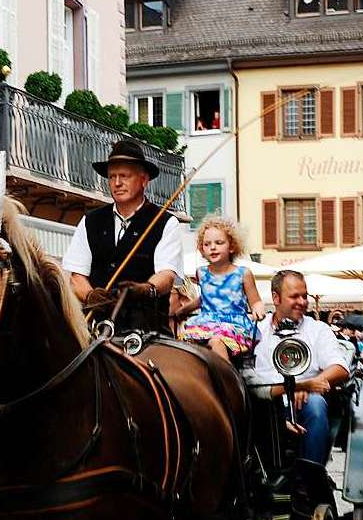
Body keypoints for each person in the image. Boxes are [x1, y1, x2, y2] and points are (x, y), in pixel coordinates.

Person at [244, 270, 350, 507]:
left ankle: (309, 481)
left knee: (314, 405)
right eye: (295, 296)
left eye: (305, 296)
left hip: (305, 403)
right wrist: (289, 388)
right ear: (276, 297)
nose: (302, 302)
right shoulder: (255, 329)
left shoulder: (317, 330)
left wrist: (309, 385)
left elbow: (339, 368)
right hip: (263, 403)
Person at [63, 139, 183, 334]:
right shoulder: (90, 221)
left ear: (144, 180)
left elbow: (167, 276)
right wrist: (90, 295)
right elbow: (76, 276)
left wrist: (146, 288)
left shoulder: (165, 223)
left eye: (124, 176)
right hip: (97, 330)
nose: (117, 183)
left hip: (148, 332)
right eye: (112, 177)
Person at [177, 216, 264, 361]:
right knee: (184, 345)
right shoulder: (201, 273)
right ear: (202, 249)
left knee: (216, 341)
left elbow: (255, 301)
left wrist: (258, 309)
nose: (212, 247)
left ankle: (227, 379)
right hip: (206, 322)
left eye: (219, 243)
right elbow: (206, 298)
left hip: (233, 324)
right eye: (207, 244)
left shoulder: (242, 274)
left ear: (232, 246)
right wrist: (183, 310)